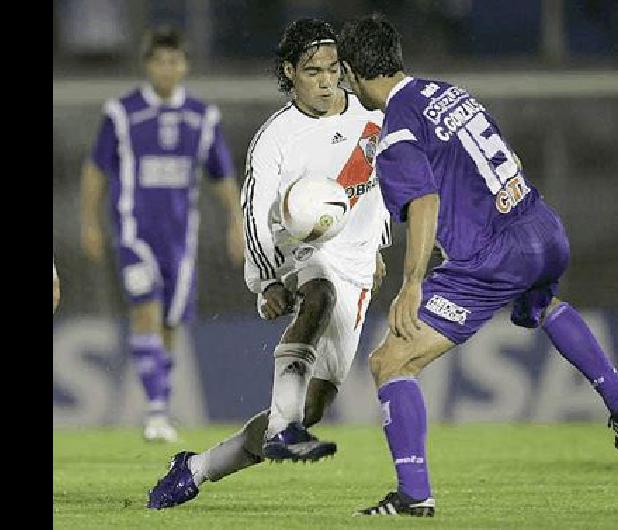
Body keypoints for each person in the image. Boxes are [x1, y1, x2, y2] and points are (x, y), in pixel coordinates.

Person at [338, 14, 618, 517]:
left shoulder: (396, 131)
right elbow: (502, 157)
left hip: (491, 257)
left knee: (390, 362)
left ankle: (414, 496)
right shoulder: (450, 93)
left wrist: (412, 284)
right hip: (542, 226)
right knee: (543, 305)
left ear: (353, 73)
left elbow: (423, 203)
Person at [147, 18, 391, 510]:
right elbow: (255, 214)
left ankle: (197, 468)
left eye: (332, 70)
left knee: (314, 407)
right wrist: (265, 280)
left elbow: (391, 184)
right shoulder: (277, 138)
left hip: (359, 266)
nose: (326, 81)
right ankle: (282, 426)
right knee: (318, 292)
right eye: (312, 71)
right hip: (299, 251)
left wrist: (380, 246)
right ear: (289, 72)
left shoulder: (372, 116)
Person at [80, 26, 244, 443]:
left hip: (181, 241)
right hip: (134, 234)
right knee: (146, 310)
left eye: (174, 60)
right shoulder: (122, 113)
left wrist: (236, 222)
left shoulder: (202, 118)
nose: (167, 68)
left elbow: (222, 176)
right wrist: (90, 222)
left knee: (170, 323)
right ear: (148, 65)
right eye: (159, 60)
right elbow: (96, 170)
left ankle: (160, 406)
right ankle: (155, 412)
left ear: (184, 65)